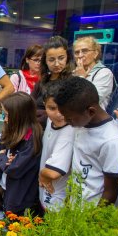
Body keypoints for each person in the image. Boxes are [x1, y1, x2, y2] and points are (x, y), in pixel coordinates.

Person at [55, 77, 118, 205]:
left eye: (69, 118)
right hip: (76, 209)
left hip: (94, 217)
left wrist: (91, 220)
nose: (66, 121)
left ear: (91, 111)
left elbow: (110, 193)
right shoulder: (81, 123)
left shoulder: (112, 140)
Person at [0, 92, 43, 216]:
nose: (4, 119)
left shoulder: (32, 138)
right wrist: (3, 159)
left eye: (7, 115)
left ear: (20, 116)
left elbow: (14, 169)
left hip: (20, 197)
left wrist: (1, 157)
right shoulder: (11, 128)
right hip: (6, 188)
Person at [38, 83, 75, 211]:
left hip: (56, 194)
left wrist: (42, 175)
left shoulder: (69, 132)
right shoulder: (50, 121)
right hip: (47, 190)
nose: (59, 114)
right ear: (44, 105)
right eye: (52, 108)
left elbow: (54, 173)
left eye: (63, 108)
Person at [32, 36, 73, 128]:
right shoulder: (42, 81)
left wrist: (43, 114)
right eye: (51, 60)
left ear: (67, 58)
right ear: (45, 61)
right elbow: (29, 105)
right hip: (37, 130)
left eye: (61, 58)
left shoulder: (72, 83)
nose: (57, 64)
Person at [73, 36, 115, 110]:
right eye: (77, 52)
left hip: (95, 119)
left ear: (95, 53)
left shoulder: (104, 73)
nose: (80, 55)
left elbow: (92, 100)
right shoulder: (74, 72)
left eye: (85, 51)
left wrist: (81, 77)